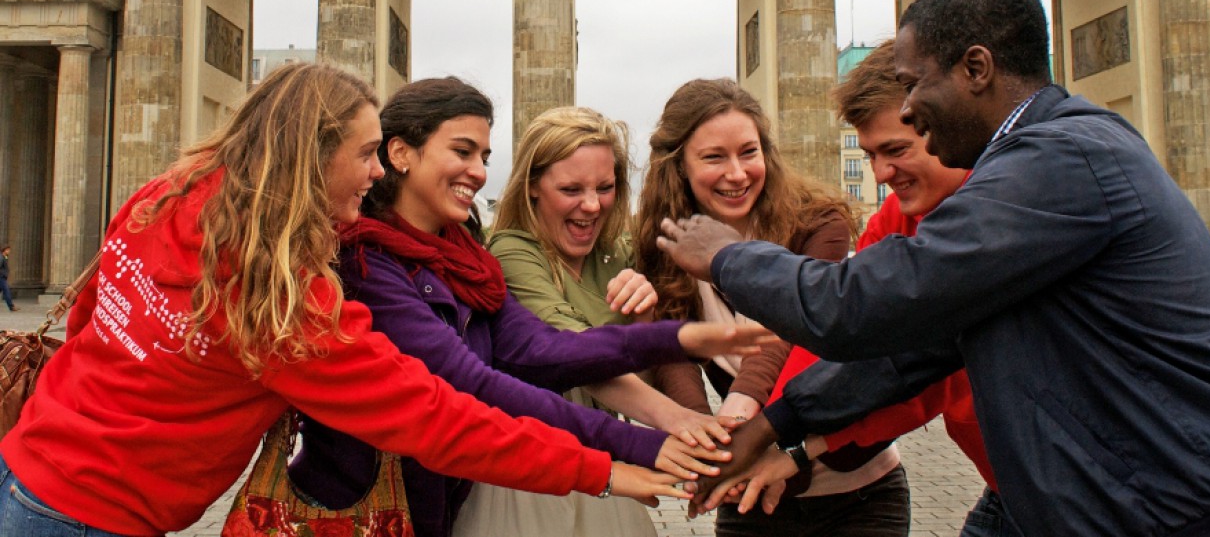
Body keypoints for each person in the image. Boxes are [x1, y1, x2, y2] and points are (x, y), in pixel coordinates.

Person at [657, 0, 1210, 537]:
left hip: (1186, 500)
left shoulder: (1058, 160)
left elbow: (863, 304)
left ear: (976, 69)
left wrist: (727, 257)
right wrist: (778, 424)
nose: (908, 108)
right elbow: (913, 349)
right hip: (1103, 491)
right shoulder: (1044, 158)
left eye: (913, 85)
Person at [0, 62, 688, 537]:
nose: (376, 171)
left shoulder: (171, 191)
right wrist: (602, 470)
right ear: (312, 155)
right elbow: (432, 415)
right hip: (95, 514)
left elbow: (92, 314)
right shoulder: (285, 301)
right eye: (365, 154)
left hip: (27, 464)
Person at [291, 80, 764, 537]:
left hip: (437, 499)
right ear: (400, 154)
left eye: (483, 156)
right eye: (462, 151)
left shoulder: (467, 259)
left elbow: (540, 349)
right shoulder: (366, 264)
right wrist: (637, 444)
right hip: (366, 507)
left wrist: (669, 337)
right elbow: (473, 384)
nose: (479, 172)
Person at [691, 42, 1008, 535]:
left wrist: (781, 437)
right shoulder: (897, 217)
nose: (879, 174)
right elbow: (840, 332)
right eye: (870, 155)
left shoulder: (1000, 217)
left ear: (949, 121)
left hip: (1081, 485)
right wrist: (781, 436)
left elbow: (917, 372)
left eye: (896, 150)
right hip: (1011, 481)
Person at [634, 78, 910, 537]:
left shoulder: (817, 222)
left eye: (749, 152)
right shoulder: (666, 243)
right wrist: (706, 445)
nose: (737, 173)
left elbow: (787, 332)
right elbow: (672, 353)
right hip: (746, 489)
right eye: (714, 157)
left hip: (856, 490)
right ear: (679, 165)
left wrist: (741, 432)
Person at [470, 105, 736, 536]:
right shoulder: (511, 250)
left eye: (606, 187)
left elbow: (642, 374)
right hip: (537, 467)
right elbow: (576, 359)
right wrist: (678, 421)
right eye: (571, 189)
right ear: (532, 186)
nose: (592, 205)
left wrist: (643, 318)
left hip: (602, 453)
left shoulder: (616, 251)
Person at [0, 246, 16, 312]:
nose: (9, 251)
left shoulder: (4, 257)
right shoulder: (1, 257)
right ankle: (11, 307)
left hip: (2, 277)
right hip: (1, 277)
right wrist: (3, 274)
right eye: (8, 250)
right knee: (6, 291)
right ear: (5, 250)